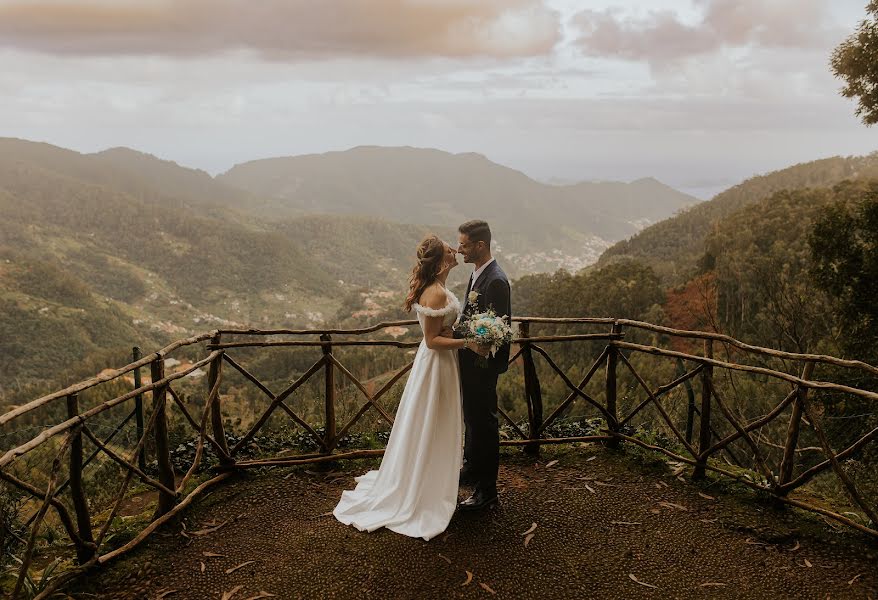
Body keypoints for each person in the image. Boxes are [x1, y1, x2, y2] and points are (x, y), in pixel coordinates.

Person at [333, 235, 488, 540]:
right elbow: (432, 341)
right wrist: (469, 342)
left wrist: (456, 332)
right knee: (432, 421)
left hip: (442, 365)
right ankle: (423, 486)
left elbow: (439, 331)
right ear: (442, 260)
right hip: (435, 366)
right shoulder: (435, 294)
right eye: (449, 249)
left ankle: (431, 478)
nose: (455, 250)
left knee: (436, 422)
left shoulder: (439, 289)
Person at [455, 220, 511, 512]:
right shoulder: (479, 273)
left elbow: (495, 332)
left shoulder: (496, 280)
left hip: (483, 368)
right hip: (470, 364)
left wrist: (460, 339)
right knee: (473, 423)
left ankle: (486, 491)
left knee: (484, 426)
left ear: (480, 246)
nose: (459, 249)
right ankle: (473, 469)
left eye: (463, 244)